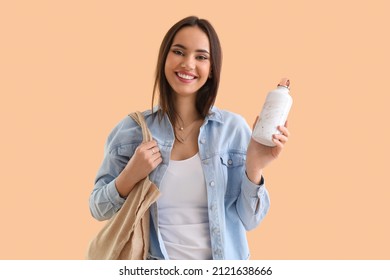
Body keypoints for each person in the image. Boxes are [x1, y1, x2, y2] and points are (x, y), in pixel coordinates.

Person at [89, 16, 290, 260]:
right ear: (165, 57)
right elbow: (98, 209)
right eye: (179, 52)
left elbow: (250, 220)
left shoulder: (233, 129)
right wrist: (130, 175)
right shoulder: (131, 131)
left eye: (201, 57)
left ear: (212, 68)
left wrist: (254, 168)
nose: (188, 64)